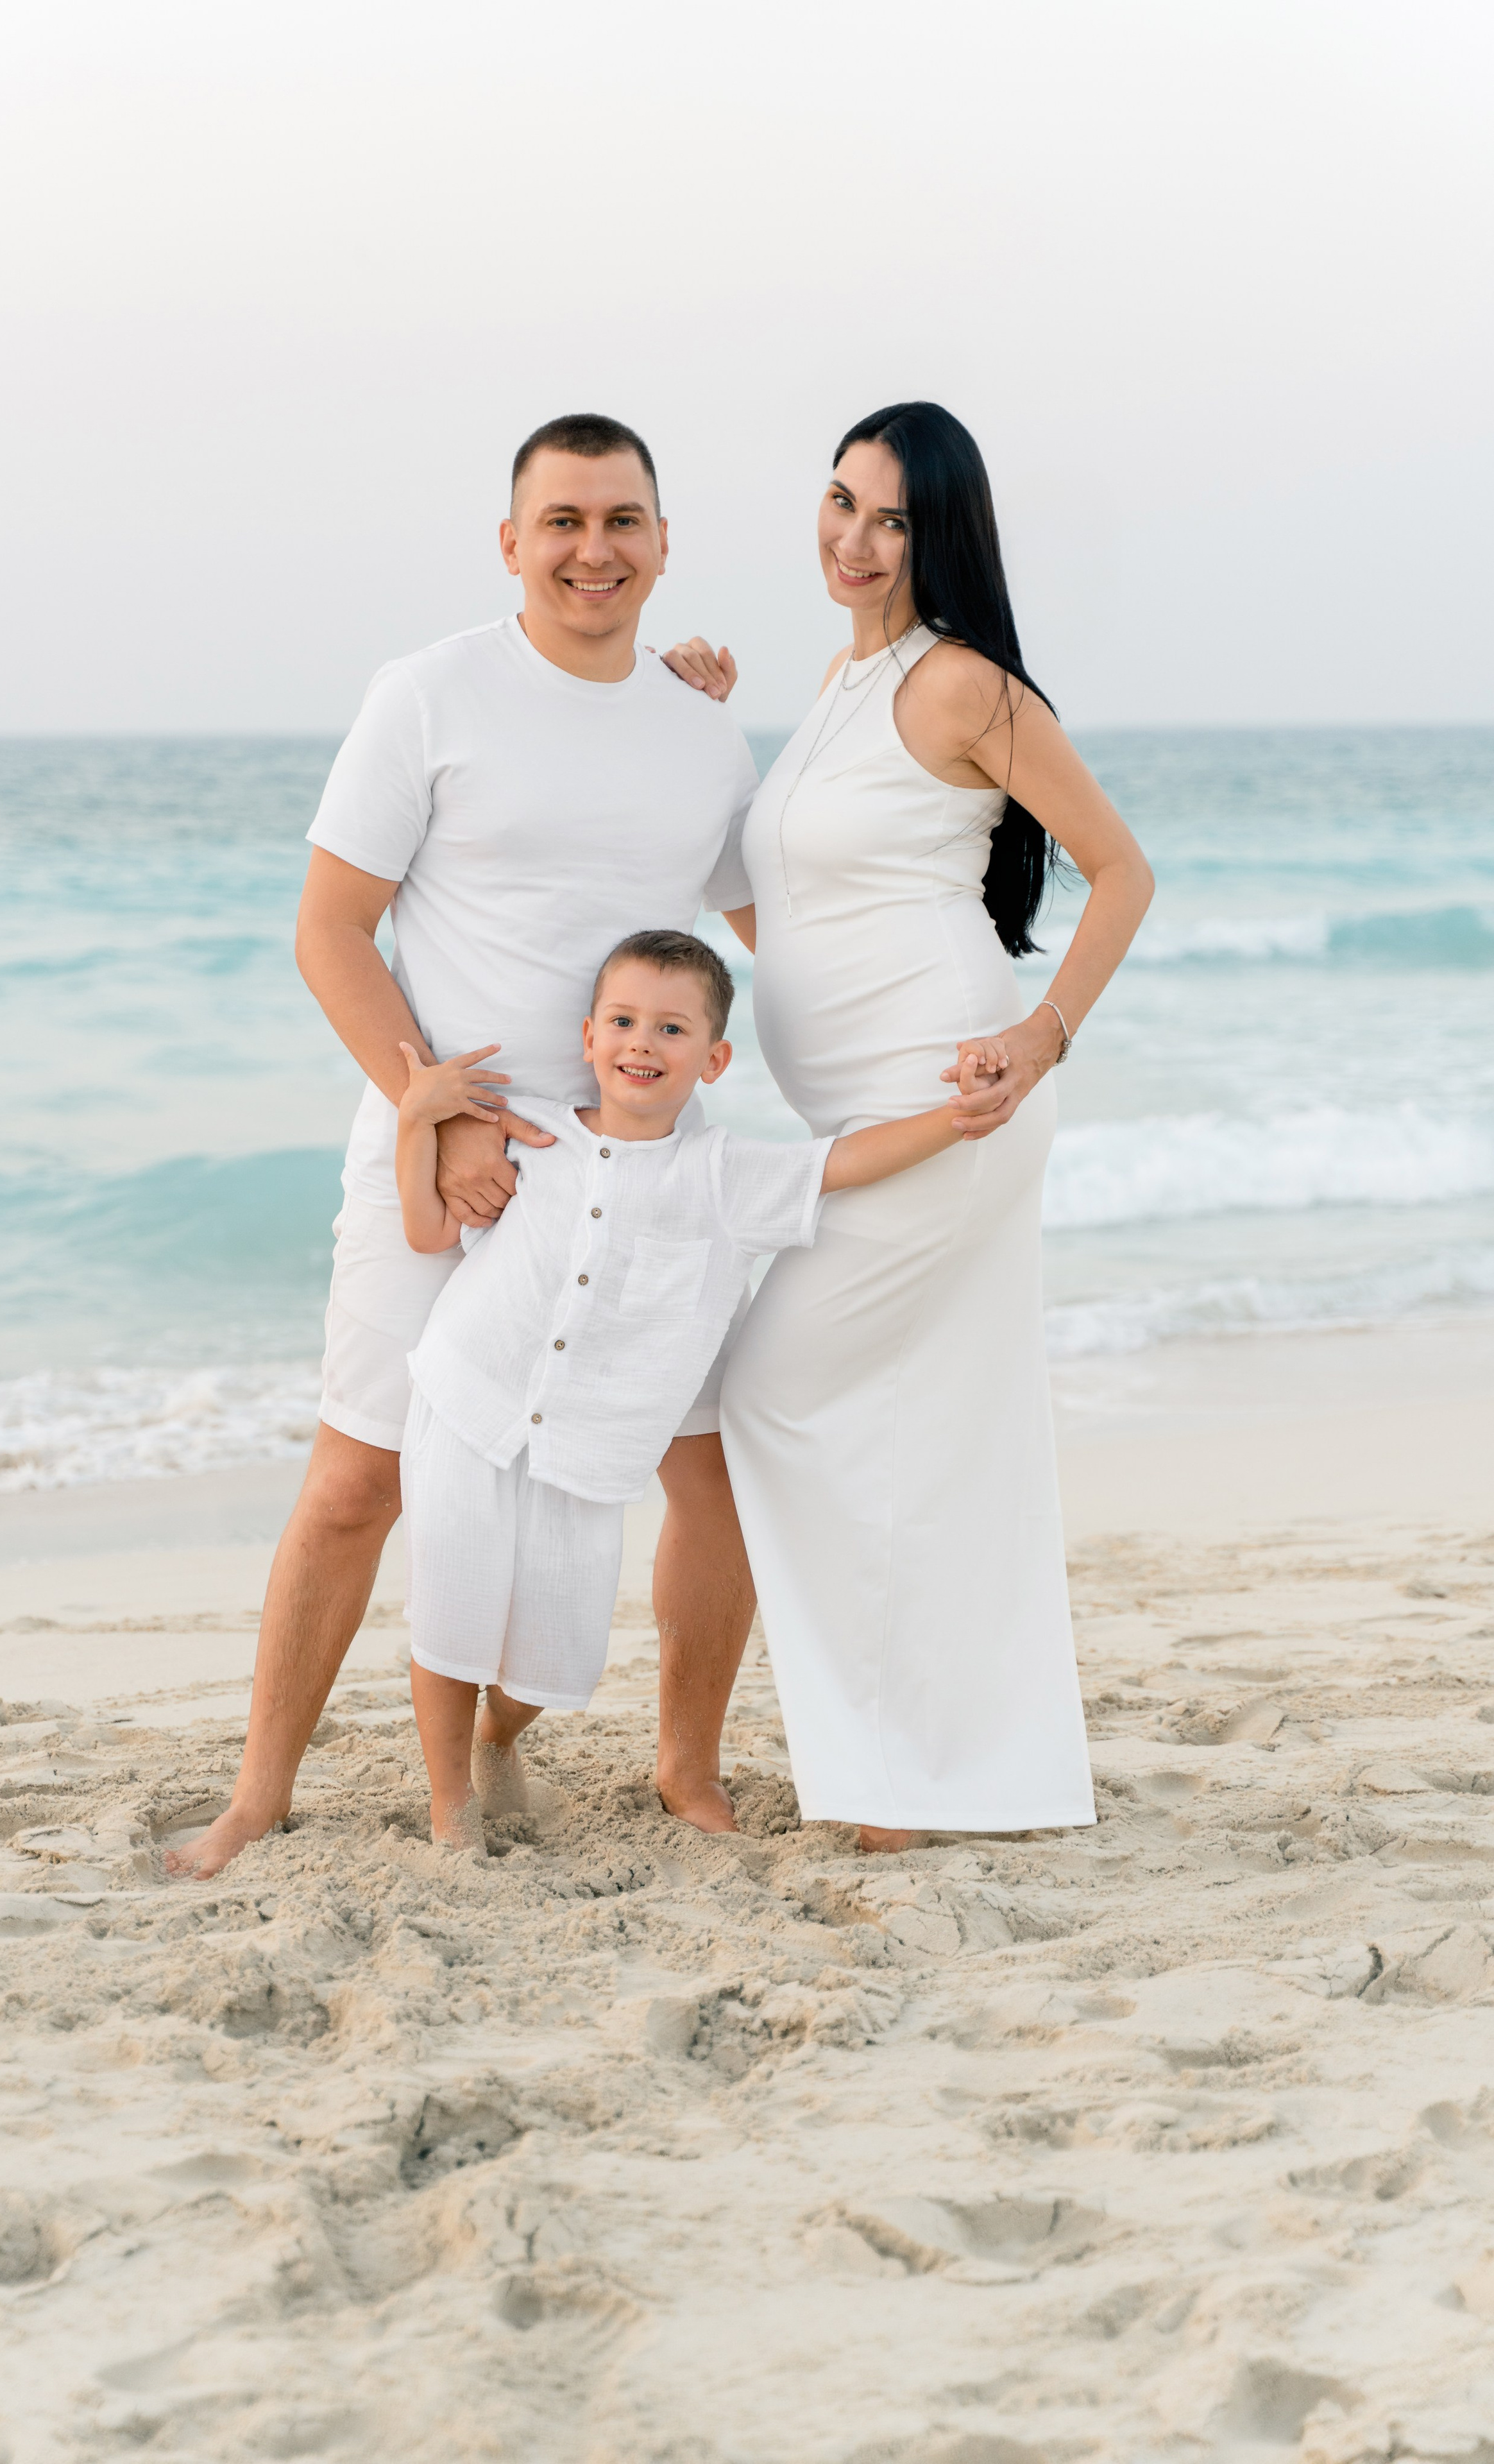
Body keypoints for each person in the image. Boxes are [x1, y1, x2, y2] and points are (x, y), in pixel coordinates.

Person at [169, 413, 758, 1882]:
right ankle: (259, 1792)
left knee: (696, 1468)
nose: (592, 549)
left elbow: (769, 927)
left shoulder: (703, 734)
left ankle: (682, 1768)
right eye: (560, 521)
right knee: (361, 1477)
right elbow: (328, 928)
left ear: (664, 545)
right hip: (446, 1145)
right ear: (510, 543)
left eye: (622, 521)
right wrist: (430, 1113)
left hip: (632, 1166)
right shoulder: (430, 693)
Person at [703, 400, 1155, 1854]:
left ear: (936, 535)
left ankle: (897, 1771)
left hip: (946, 1105)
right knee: (910, 1434)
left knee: (777, 1391)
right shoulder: (836, 688)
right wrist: (699, 733)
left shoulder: (960, 685)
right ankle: (922, 1767)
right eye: (840, 502)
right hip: (855, 1112)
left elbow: (1120, 871)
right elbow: (783, 913)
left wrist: (1040, 1036)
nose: (854, 538)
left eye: (890, 518)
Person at [391, 930, 979, 1849]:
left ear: (714, 1059)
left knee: (544, 1661)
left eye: (671, 1028)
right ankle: (450, 1806)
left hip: (587, 1452)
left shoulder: (724, 1176)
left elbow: (845, 1163)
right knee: (452, 1610)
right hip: (470, 1395)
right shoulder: (529, 1132)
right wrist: (413, 1119)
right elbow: (430, 1233)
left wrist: (963, 1118)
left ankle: (496, 1735)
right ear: (587, 1036)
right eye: (623, 1021)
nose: (642, 1043)